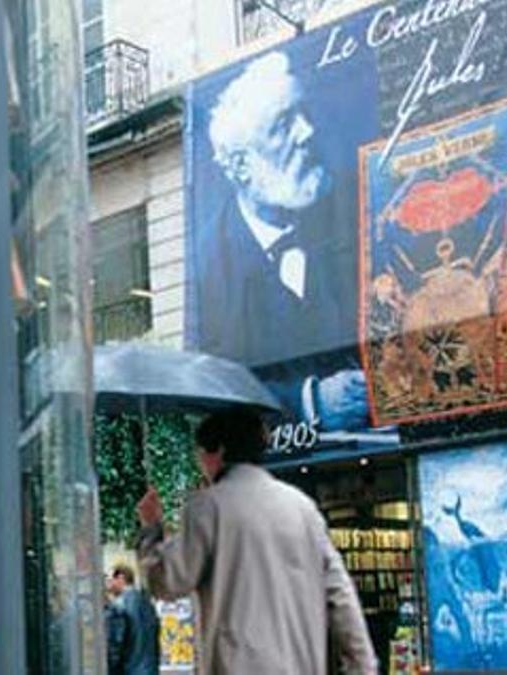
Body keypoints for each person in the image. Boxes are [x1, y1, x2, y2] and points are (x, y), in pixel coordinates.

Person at [187, 50, 373, 435]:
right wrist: (311, 402)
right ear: (239, 166)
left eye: (303, 114)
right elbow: (215, 388)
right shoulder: (208, 263)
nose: (307, 132)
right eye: (283, 124)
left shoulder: (358, 214)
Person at [135, 409, 378, 674]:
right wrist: (362, 666)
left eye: (201, 453)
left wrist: (151, 529)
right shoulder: (303, 508)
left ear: (218, 451)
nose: (200, 462)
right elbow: (340, 596)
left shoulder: (208, 507)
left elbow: (168, 581)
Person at [105, 563, 161, 675]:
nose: (108, 584)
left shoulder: (118, 606)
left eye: (110, 579)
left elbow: (116, 646)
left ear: (121, 578)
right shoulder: (147, 603)